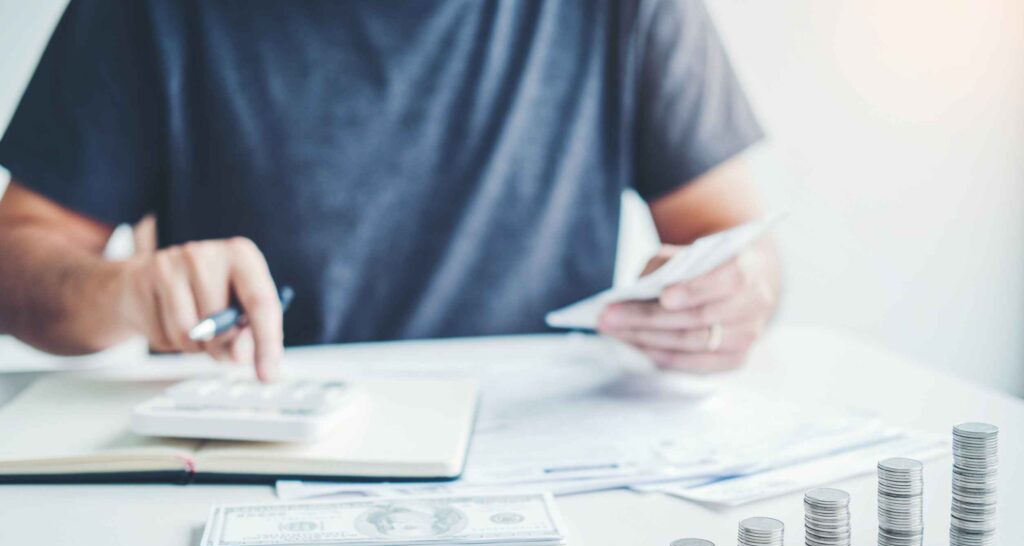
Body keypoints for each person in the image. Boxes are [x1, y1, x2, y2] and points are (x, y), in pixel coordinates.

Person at [0, 0, 780, 382]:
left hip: (548, 483)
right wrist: (129, 295)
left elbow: (736, 241)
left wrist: (729, 295)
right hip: (246, 474)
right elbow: (16, 261)